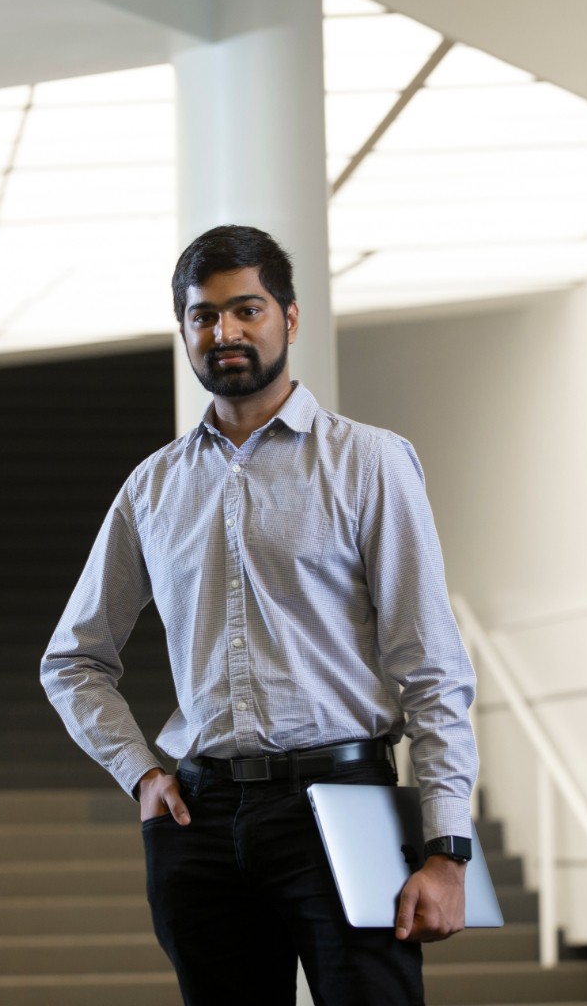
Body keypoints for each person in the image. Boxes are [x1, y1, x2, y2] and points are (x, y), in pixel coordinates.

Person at [41, 224, 478, 1006]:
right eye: (204, 316)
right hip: (198, 825)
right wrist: (139, 772)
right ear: (184, 331)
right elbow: (72, 660)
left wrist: (447, 851)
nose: (226, 332)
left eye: (247, 309)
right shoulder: (152, 487)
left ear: (291, 317)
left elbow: (432, 666)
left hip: (346, 807)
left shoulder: (371, 462)